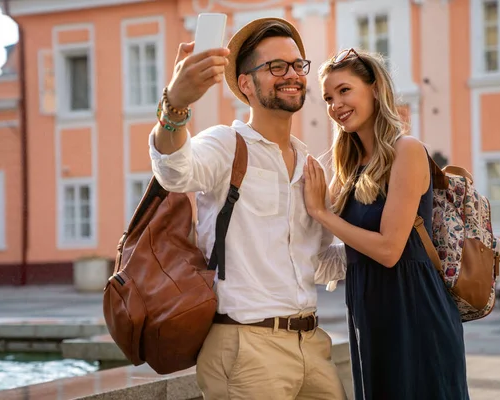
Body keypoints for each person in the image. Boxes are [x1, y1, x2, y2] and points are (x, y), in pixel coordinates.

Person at [149, 17, 347, 400]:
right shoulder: (226, 145)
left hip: (311, 343)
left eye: (297, 65)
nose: (291, 74)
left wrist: (392, 241)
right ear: (245, 84)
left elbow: (318, 262)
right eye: (276, 66)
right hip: (246, 346)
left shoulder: (311, 165)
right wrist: (176, 104)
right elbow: (173, 172)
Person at [303, 48, 470, 399]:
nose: (336, 105)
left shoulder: (406, 150)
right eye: (329, 98)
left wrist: (324, 214)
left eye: (345, 91)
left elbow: (390, 249)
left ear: (375, 89)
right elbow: (332, 239)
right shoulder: (350, 168)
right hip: (368, 310)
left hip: (414, 310)